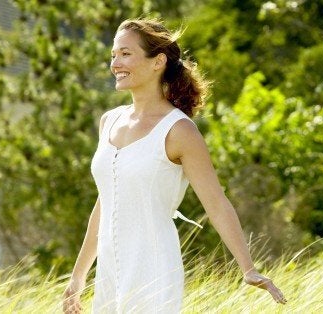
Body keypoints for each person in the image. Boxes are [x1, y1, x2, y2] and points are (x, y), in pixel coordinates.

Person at [62, 18, 286, 313]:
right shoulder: (109, 121)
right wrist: (78, 276)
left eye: (126, 54)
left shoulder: (179, 131)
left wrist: (248, 268)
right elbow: (107, 202)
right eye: (113, 55)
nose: (115, 63)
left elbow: (216, 204)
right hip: (110, 273)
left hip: (153, 269)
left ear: (158, 62)